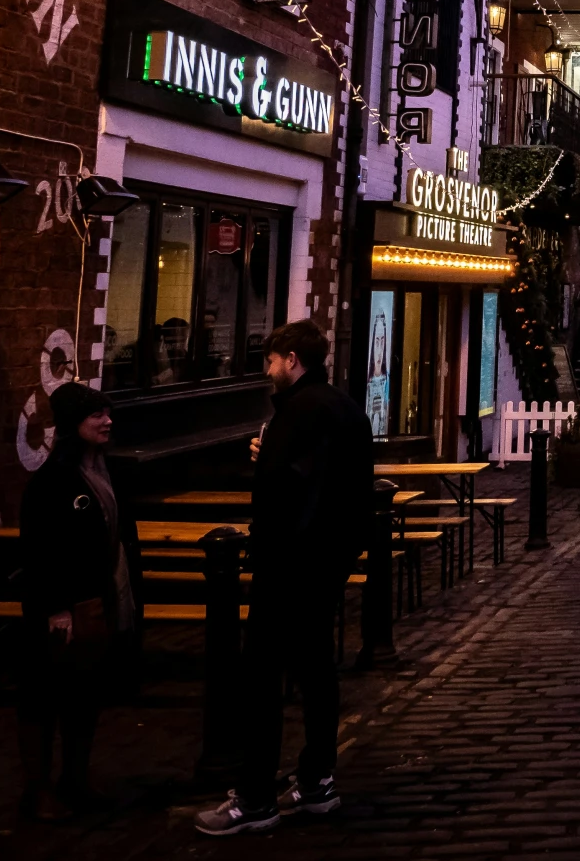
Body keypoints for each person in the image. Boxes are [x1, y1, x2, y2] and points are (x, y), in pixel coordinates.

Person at [197, 319, 372, 836]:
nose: (268, 369)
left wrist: (275, 552)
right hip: (323, 565)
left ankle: (254, 797)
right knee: (317, 673)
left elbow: (294, 495)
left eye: (272, 360)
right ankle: (317, 781)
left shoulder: (302, 412)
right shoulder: (338, 406)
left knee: (263, 679)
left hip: (290, 566)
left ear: (292, 359)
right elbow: (334, 480)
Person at [19, 382, 136, 820]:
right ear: (74, 425)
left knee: (84, 697)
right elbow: (40, 551)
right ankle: (37, 792)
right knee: (45, 699)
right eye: (96, 416)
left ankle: (75, 779)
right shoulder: (53, 481)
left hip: (98, 601)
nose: (107, 422)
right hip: (66, 609)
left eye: (107, 414)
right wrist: (57, 608)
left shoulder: (105, 469)